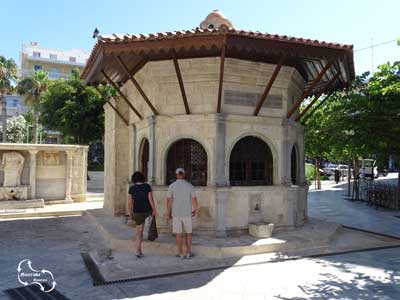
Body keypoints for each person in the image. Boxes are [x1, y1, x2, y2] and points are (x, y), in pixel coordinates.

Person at [166, 168, 198, 259]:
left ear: (176, 175)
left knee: (178, 234)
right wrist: (195, 209)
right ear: (184, 175)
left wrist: (168, 212)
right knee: (189, 233)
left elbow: (169, 200)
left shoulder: (172, 186)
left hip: (176, 213)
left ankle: (180, 253)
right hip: (187, 213)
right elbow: (194, 199)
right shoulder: (189, 185)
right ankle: (188, 253)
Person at [127, 171, 157, 257]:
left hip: (137, 211)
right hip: (147, 211)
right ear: (142, 178)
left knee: (139, 232)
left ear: (134, 179)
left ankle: (138, 251)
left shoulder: (131, 188)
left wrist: (130, 212)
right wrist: (154, 210)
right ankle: (151, 235)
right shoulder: (147, 186)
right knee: (150, 225)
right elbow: (151, 199)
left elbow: (130, 202)